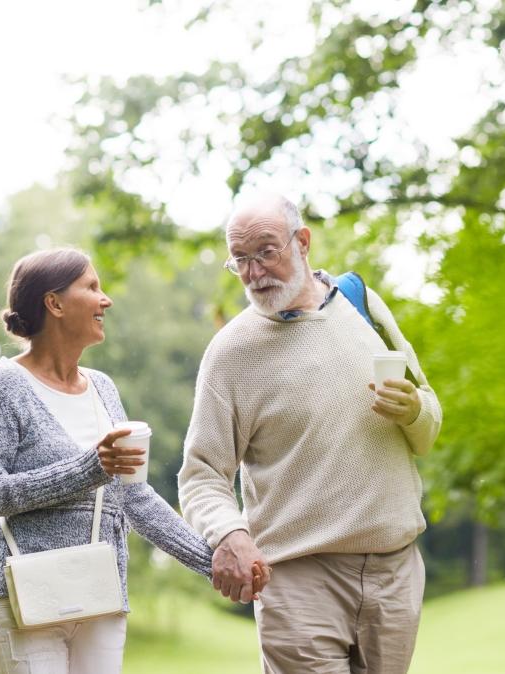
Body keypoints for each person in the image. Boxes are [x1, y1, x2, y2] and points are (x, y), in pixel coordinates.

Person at [0, 248, 262, 674]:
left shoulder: (102, 388)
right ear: (55, 303)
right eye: (92, 287)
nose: (107, 300)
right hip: (24, 601)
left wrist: (210, 561)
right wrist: (89, 469)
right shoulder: (3, 385)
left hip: (100, 595)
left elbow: (134, 499)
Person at [178, 193, 443, 673]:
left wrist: (414, 411)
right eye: (240, 259)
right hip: (299, 579)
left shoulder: (362, 303)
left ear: (302, 242)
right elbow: (201, 474)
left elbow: (427, 424)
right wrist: (229, 532)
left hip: (396, 571)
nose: (254, 272)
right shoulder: (231, 353)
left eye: (266, 251)